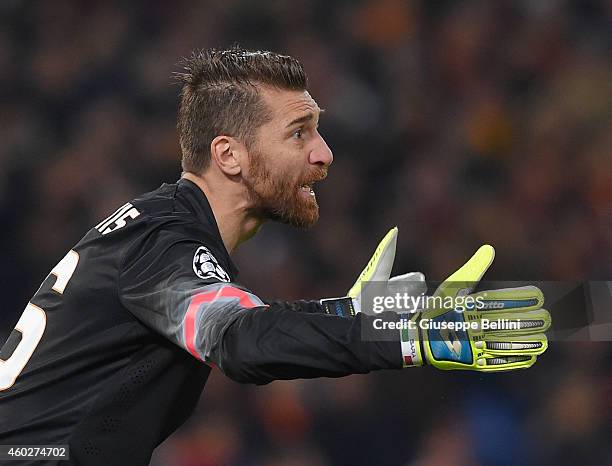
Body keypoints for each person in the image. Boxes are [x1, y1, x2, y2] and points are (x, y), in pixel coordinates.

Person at [0, 48, 550, 465]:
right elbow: (241, 342)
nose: (323, 153)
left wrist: (352, 317)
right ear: (229, 155)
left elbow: (247, 323)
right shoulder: (165, 243)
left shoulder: (161, 229)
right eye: (298, 133)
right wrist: (410, 336)